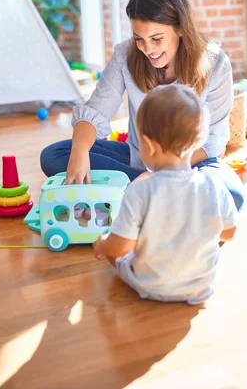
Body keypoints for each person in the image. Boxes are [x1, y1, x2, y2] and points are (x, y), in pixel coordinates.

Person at [40, 0, 243, 210]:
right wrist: (79, 152)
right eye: (139, 39)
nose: (148, 49)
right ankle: (160, 198)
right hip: (139, 159)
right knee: (55, 155)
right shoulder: (125, 55)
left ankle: (140, 193)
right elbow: (96, 109)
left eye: (157, 39)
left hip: (193, 164)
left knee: (232, 196)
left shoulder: (215, 62)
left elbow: (213, 142)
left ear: (180, 28)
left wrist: (160, 174)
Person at [93, 84, 237, 305]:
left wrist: (103, 244)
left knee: (115, 252)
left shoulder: (139, 190)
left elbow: (121, 247)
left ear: (149, 146)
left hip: (149, 284)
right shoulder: (213, 184)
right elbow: (229, 233)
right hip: (201, 285)